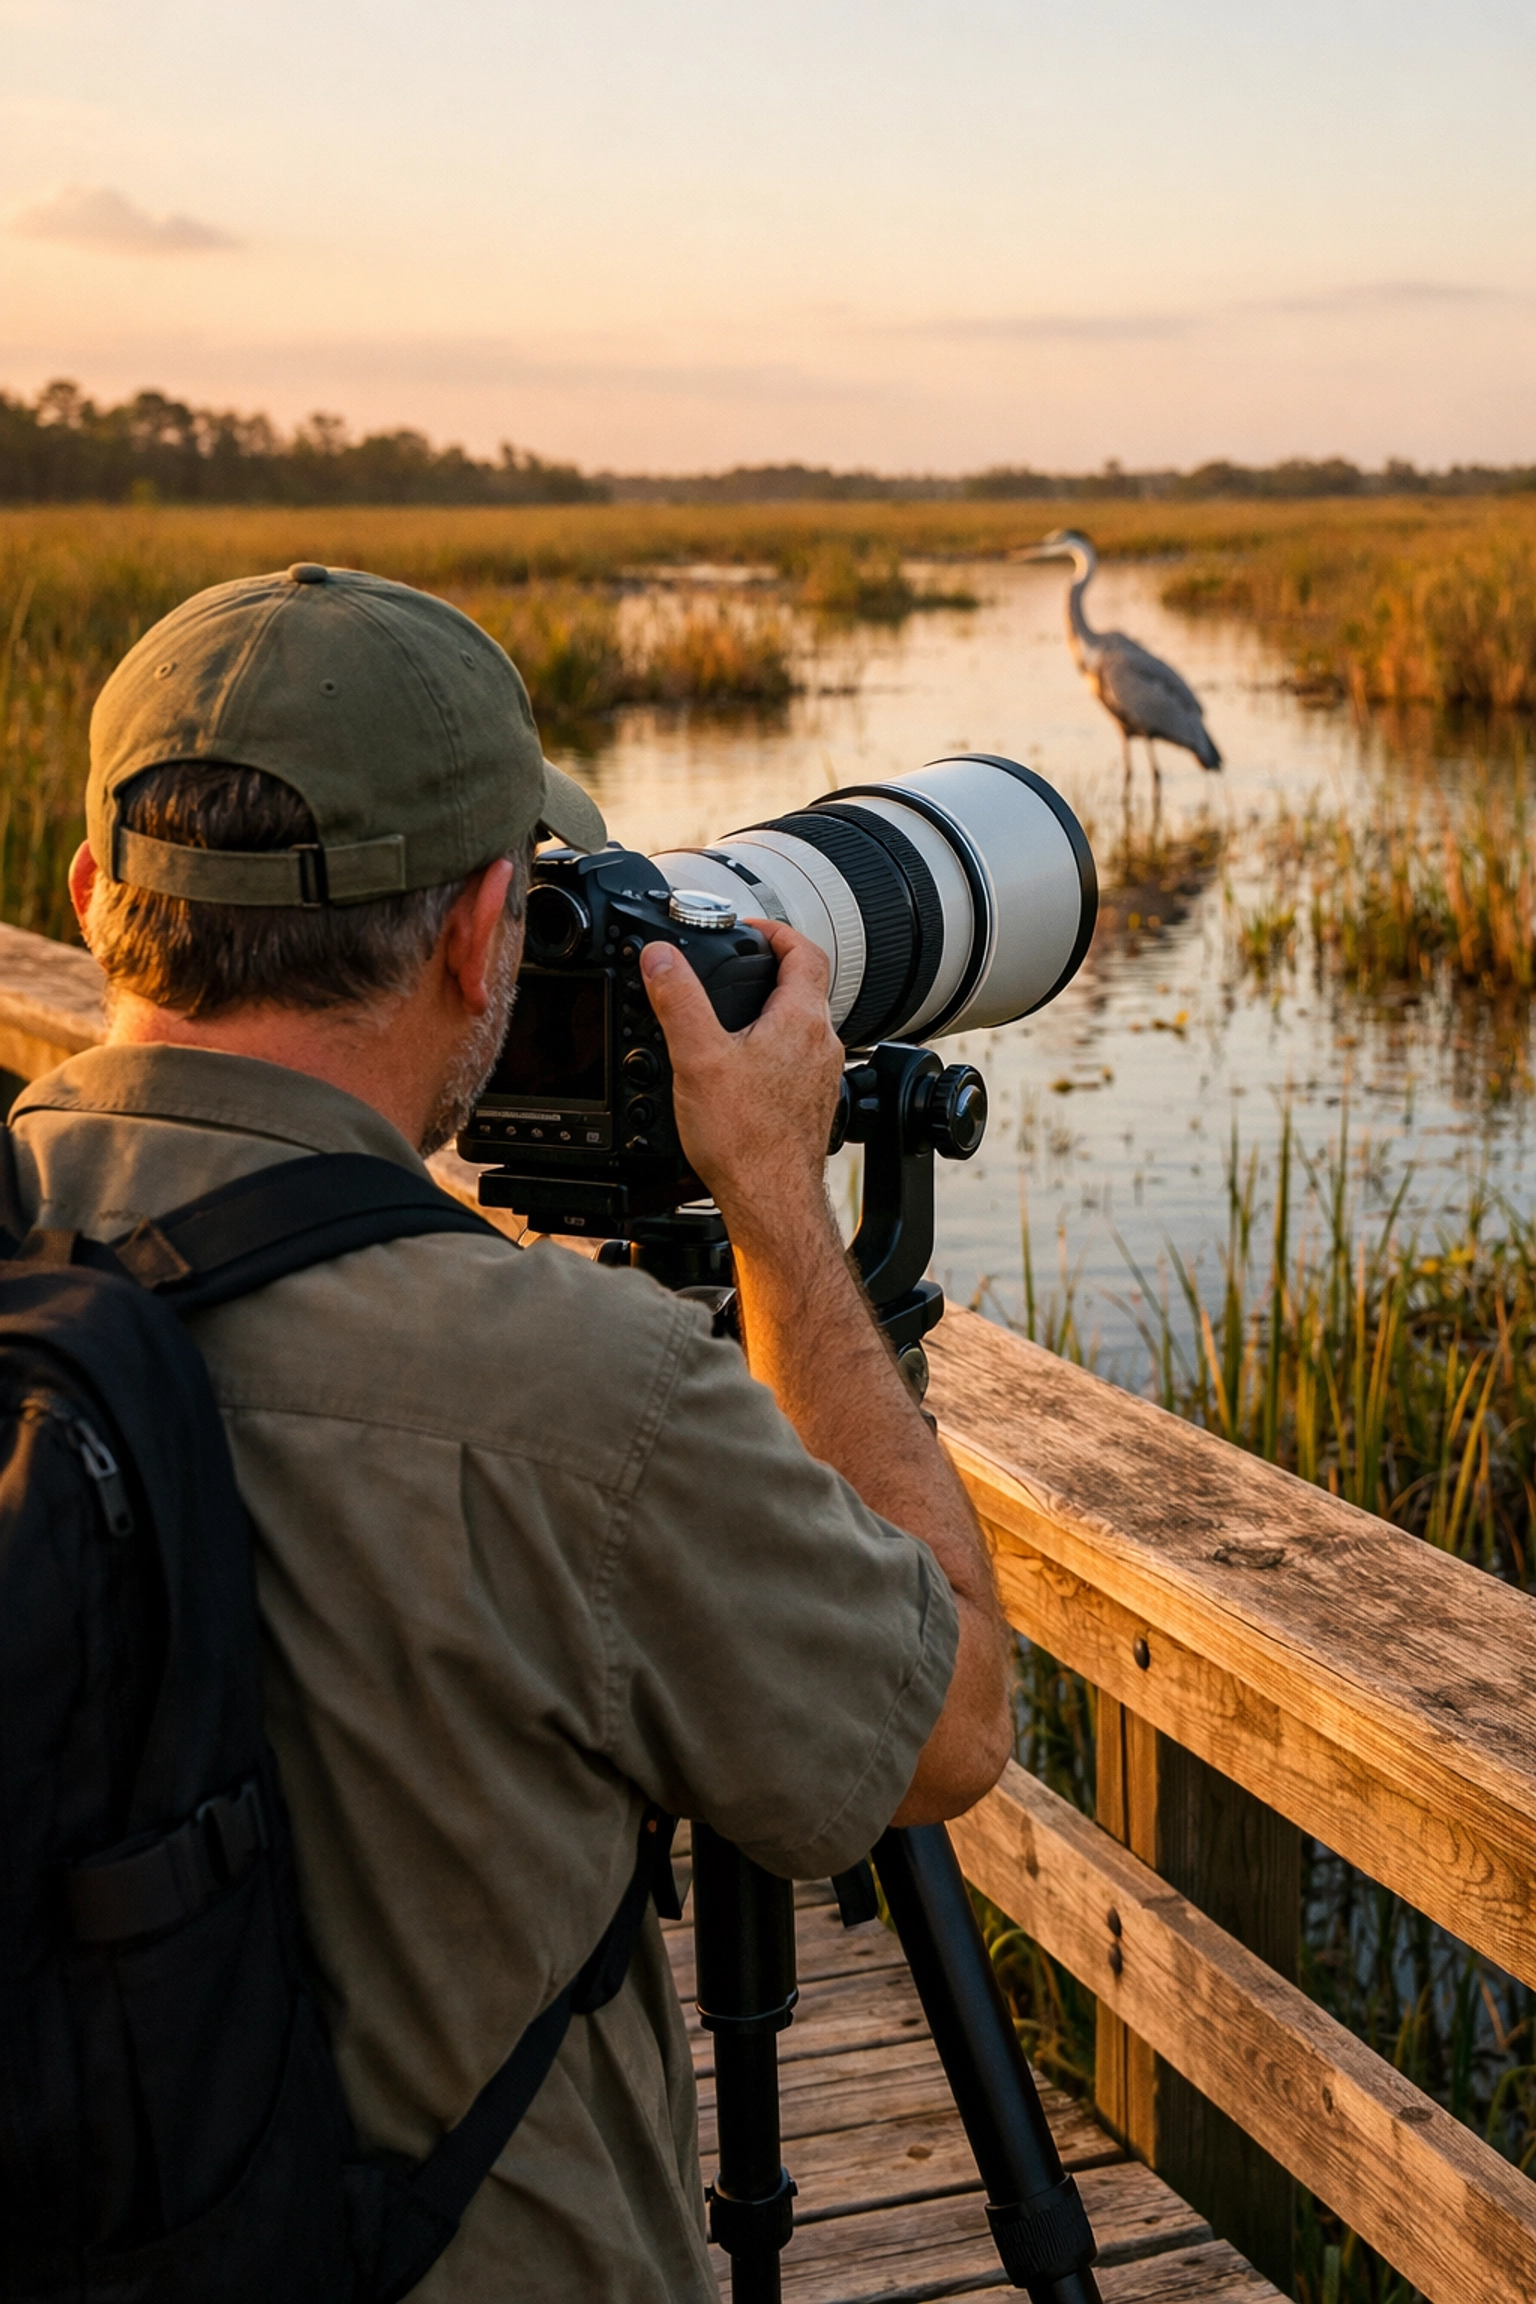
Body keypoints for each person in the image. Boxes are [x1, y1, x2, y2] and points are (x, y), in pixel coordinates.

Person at [19, 562, 1011, 2300]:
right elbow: (944, 1736)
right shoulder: (581, 1401)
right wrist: (777, 1200)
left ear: (99, 891)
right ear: (483, 932)